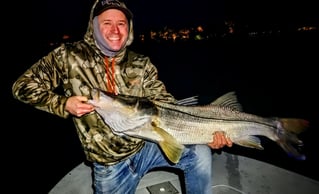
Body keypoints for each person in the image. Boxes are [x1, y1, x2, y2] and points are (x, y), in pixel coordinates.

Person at [12, 0, 232, 193]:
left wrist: (205, 132)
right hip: (110, 167)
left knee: (200, 153)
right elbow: (22, 87)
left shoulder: (141, 63)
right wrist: (63, 103)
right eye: (107, 23)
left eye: (122, 23)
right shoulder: (69, 57)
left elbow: (164, 104)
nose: (115, 30)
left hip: (145, 146)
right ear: (94, 26)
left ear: (129, 28)